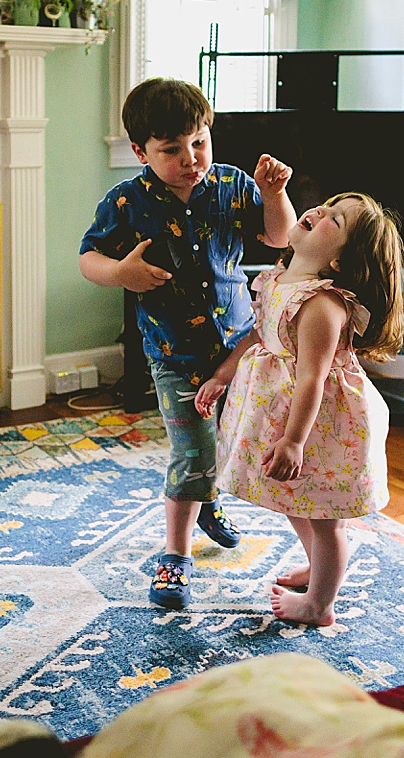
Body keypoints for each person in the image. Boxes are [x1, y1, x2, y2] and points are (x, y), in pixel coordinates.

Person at [80, 77, 294, 610]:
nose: (190, 159)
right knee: (192, 451)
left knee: (229, 441)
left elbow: (280, 238)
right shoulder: (125, 202)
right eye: (171, 150)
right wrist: (122, 272)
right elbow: (88, 259)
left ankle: (208, 500)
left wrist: (274, 195)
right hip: (174, 354)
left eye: (199, 142)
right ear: (140, 151)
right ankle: (176, 556)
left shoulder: (231, 184)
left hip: (241, 345)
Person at [194, 192, 404, 626]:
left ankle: (319, 605)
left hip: (320, 427)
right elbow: (259, 337)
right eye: (327, 205)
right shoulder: (278, 280)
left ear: (342, 262)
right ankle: (316, 569)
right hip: (285, 412)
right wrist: (223, 374)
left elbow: (312, 378)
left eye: (337, 221)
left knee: (325, 517)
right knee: (295, 499)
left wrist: (293, 441)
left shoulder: (322, 307)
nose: (319, 211)